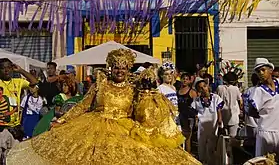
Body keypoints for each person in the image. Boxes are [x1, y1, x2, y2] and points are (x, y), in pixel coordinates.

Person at [7, 49, 201, 165]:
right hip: (92, 128)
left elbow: (144, 114)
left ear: (128, 69)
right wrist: (62, 120)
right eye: (116, 67)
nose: (120, 71)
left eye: (123, 68)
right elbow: (83, 105)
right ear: (111, 67)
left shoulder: (135, 88)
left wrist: (147, 94)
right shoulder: (100, 82)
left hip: (124, 132)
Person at [248, 58, 279, 160]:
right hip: (265, 131)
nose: (261, 73)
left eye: (263, 70)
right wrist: (265, 114)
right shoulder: (258, 91)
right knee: (263, 161)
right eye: (258, 72)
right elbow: (251, 111)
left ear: (270, 70)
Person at [0, 58, 38, 138]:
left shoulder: (18, 81)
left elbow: (34, 82)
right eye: (3, 68)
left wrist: (21, 70)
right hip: (2, 127)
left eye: (9, 67)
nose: (6, 70)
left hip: (16, 126)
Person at [192, 77, 224, 165]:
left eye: (204, 86)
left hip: (213, 125)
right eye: (201, 88)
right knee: (201, 146)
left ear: (208, 86)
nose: (203, 89)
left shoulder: (215, 98)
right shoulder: (197, 100)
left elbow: (218, 110)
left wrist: (220, 120)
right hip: (202, 126)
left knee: (211, 147)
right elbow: (195, 112)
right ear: (198, 90)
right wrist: (196, 121)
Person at [217, 72, 242, 137]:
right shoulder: (236, 89)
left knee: (223, 137)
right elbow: (240, 101)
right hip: (233, 115)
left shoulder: (219, 88)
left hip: (222, 116)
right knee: (232, 137)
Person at [177, 72, 197, 152]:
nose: (185, 80)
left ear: (189, 81)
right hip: (179, 116)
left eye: (186, 79)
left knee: (188, 138)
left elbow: (196, 106)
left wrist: (196, 118)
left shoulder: (192, 92)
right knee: (179, 137)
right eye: (183, 79)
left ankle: (188, 157)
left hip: (189, 117)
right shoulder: (178, 91)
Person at [157, 61, 179, 126]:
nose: (169, 76)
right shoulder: (159, 89)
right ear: (161, 76)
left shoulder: (174, 88)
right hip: (167, 117)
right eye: (166, 74)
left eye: (170, 74)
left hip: (176, 115)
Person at [243, 73, 259, 138]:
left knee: (250, 141)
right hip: (259, 122)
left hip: (249, 121)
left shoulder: (247, 91)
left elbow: (245, 105)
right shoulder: (262, 90)